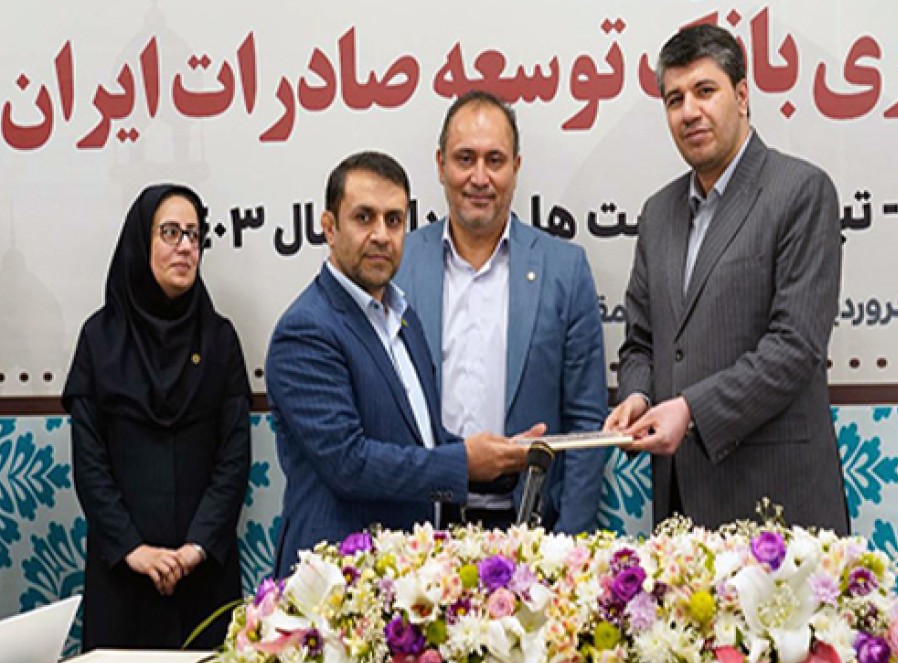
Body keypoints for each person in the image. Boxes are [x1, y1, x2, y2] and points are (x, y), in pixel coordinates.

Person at [604, 25, 849, 533]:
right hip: (682, 510)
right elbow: (641, 343)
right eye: (674, 99)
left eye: (704, 91)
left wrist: (691, 410)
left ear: (741, 96)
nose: (689, 111)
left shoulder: (801, 191)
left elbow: (796, 346)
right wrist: (638, 397)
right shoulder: (657, 213)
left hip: (777, 507)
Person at [266, 151, 540, 577]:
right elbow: (349, 463)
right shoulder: (306, 330)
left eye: (394, 220)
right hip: (336, 582)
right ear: (329, 228)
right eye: (364, 218)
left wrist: (502, 460)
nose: (381, 235)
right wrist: (464, 462)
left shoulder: (402, 316)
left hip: (402, 578)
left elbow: (420, 439)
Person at [396, 91, 608, 533]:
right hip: (421, 528)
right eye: (465, 159)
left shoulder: (565, 270)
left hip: (533, 529)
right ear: (440, 165)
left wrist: (568, 542)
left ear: (516, 166)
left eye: (494, 160)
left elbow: (587, 422)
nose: (479, 177)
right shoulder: (400, 266)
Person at [62, 184, 250, 650]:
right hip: (122, 575)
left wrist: (194, 549)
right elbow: (90, 463)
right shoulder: (99, 339)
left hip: (205, 573)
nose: (185, 246)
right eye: (170, 232)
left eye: (194, 235)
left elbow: (233, 460)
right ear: (139, 240)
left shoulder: (220, 339)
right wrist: (134, 550)